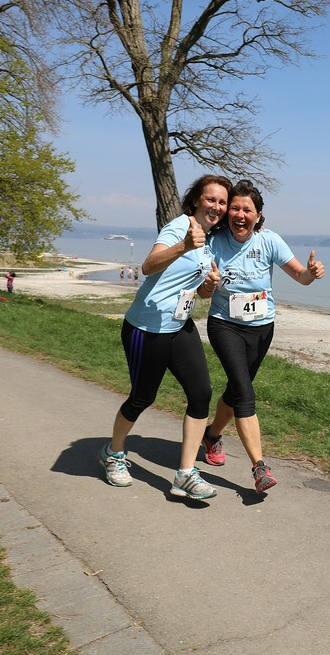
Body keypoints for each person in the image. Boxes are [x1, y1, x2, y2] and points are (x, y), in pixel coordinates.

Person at [97, 175, 230, 500]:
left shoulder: (209, 239)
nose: (216, 207)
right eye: (211, 199)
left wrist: (207, 288)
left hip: (180, 326)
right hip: (147, 329)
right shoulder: (179, 228)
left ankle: (185, 474)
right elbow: (148, 266)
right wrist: (184, 243)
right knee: (142, 397)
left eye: (222, 202)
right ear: (197, 200)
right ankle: (112, 453)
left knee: (201, 393)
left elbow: (190, 288)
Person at [200, 180, 325, 493]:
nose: (240, 215)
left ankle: (212, 435)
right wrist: (209, 284)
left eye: (248, 210)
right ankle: (259, 467)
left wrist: (312, 272)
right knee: (244, 392)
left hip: (262, 327)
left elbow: (300, 276)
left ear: (258, 216)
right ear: (228, 212)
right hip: (224, 324)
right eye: (236, 208)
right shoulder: (214, 241)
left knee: (237, 388)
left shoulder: (269, 241)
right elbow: (202, 289)